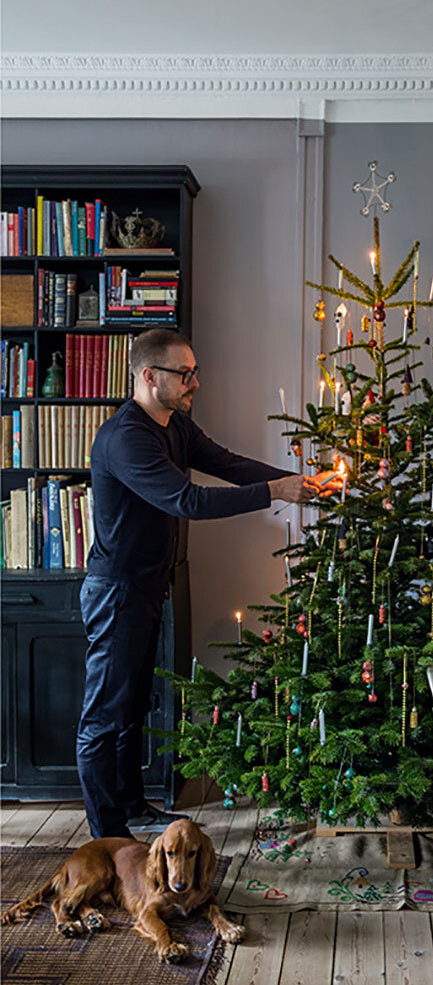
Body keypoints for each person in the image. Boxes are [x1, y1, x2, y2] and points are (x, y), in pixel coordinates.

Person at [77, 328, 338, 838]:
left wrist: (296, 484)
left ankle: (131, 808)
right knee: (104, 719)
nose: (195, 381)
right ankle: (108, 838)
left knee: (132, 708)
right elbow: (187, 501)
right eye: (184, 373)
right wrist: (273, 492)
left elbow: (226, 464)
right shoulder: (126, 437)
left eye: (194, 371)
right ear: (150, 377)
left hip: (148, 588)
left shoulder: (175, 424)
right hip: (117, 593)